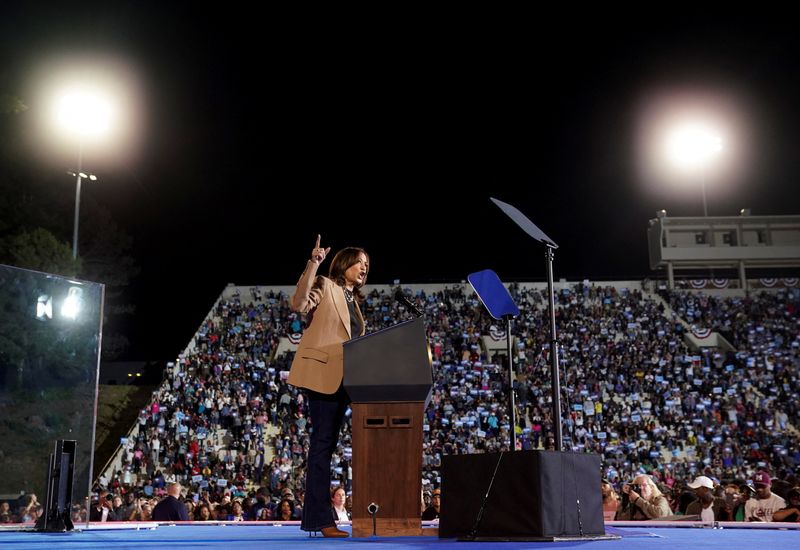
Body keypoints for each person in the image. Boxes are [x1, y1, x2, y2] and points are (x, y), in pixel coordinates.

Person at [288, 235, 369, 539]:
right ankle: (321, 520)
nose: (364, 268)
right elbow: (298, 304)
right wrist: (313, 263)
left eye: (367, 265)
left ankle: (321, 519)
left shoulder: (355, 303)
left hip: (349, 383)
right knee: (321, 447)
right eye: (360, 262)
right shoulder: (325, 285)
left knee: (329, 447)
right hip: (323, 377)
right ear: (345, 263)